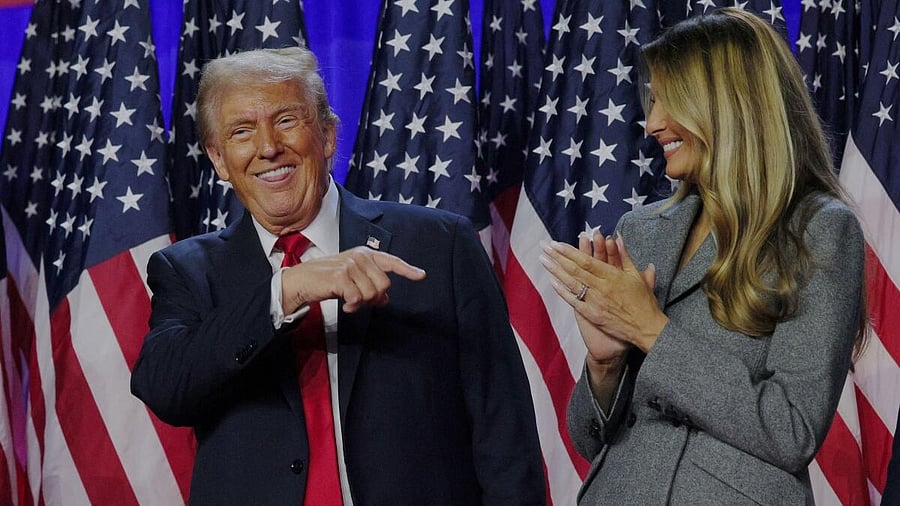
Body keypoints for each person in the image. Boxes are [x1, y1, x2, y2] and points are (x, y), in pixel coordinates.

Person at [131, 46, 545, 505]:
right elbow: (165, 387)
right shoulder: (188, 270)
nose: (269, 148)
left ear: (328, 135)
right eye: (242, 131)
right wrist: (288, 289)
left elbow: (503, 429)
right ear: (219, 159)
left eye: (287, 120)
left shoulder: (438, 244)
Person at [540, 8, 867, 505]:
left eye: (669, 102)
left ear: (729, 105)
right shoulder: (641, 230)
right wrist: (604, 365)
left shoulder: (820, 231)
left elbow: (792, 428)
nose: (651, 123)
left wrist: (651, 331)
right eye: (652, 101)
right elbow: (592, 440)